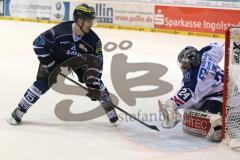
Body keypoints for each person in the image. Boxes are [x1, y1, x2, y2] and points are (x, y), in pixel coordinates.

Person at [7, 4, 118, 125]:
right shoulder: (59, 32)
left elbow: (97, 62)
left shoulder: (94, 41)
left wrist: (94, 85)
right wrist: (49, 64)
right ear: (79, 20)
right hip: (55, 59)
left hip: (79, 61)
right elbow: (38, 44)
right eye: (89, 20)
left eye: (92, 20)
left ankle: (110, 109)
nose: (91, 24)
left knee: (96, 84)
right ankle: (19, 111)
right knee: (42, 83)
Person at [159, 43, 224, 142]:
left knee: (210, 116)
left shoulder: (195, 79)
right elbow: (217, 47)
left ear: (192, 63)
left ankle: (221, 129)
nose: (182, 65)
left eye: (185, 63)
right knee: (192, 107)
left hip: (222, 95)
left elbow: (184, 95)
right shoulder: (206, 53)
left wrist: (170, 104)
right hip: (222, 87)